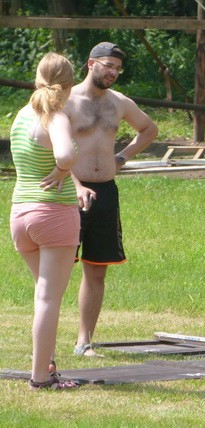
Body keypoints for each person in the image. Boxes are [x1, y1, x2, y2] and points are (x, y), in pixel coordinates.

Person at [63, 42, 158, 356]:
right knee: (59, 268)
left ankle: (84, 341)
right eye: (108, 65)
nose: (113, 72)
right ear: (91, 64)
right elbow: (50, 149)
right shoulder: (66, 100)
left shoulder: (119, 102)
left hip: (105, 193)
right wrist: (75, 184)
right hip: (69, 192)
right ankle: (46, 340)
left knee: (97, 268)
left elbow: (149, 129)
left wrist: (122, 157)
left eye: (117, 68)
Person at [10, 53, 81, 390]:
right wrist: (63, 169)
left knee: (43, 294)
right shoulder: (56, 117)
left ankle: (47, 365)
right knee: (48, 298)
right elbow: (65, 154)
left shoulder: (21, 115)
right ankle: (40, 377)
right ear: (69, 85)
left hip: (20, 213)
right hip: (53, 213)